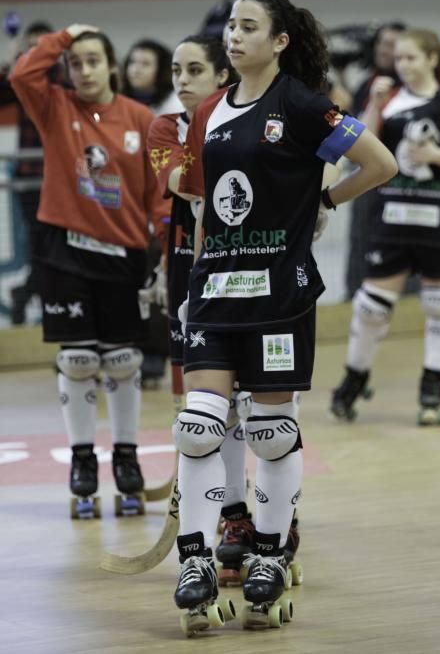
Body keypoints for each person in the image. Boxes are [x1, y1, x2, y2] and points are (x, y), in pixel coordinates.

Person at [170, 0, 397, 626]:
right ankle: (194, 559)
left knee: (269, 433)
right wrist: (192, 280)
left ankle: (269, 553)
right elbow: (210, 206)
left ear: (279, 41)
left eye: (250, 27)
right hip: (215, 290)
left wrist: (323, 203)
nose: (235, 37)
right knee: (200, 425)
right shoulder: (209, 111)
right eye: (232, 27)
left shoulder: (300, 106)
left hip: (279, 296)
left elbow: (379, 163)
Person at [9, 24, 164, 515]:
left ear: (112, 65)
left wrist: (161, 252)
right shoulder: (56, 107)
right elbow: (21, 74)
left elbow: (156, 195)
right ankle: (81, 460)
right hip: (64, 249)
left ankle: (125, 457)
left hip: (122, 251)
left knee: (122, 361)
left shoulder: (140, 118)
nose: (85, 70)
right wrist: (63, 37)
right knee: (77, 360)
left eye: (94, 60)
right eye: (76, 64)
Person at [145, 34, 258, 584]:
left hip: (246, 270)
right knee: (203, 411)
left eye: (195, 70)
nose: (182, 80)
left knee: (252, 410)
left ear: (222, 78)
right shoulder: (167, 126)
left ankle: (248, 519)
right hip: (189, 269)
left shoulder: (244, 119)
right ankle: (219, 516)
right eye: (176, 70)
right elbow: (174, 180)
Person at [331, 28, 440, 427]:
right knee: (371, 306)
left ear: (432, 59)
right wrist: (373, 104)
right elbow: (361, 146)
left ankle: (432, 384)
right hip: (392, 217)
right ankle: (355, 377)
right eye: (399, 58)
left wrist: (435, 154)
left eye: (411, 58)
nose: (402, 64)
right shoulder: (388, 102)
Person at [121, 39, 183, 386]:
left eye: (146, 63)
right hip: (125, 204)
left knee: (159, 280)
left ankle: (157, 354)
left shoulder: (172, 106)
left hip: (163, 202)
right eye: (133, 62)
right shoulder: (118, 105)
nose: (137, 69)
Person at [0, 21, 58, 324]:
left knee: (51, 246)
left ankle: (25, 293)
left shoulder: (64, 79)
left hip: (62, 179)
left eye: (44, 47)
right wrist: (13, 62)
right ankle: (30, 296)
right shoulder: (21, 80)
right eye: (33, 46)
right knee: (40, 245)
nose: (38, 53)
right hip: (30, 177)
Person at [346, 22, 407, 299]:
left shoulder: (414, 87)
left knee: (405, 246)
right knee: (360, 243)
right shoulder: (365, 86)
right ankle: (353, 297)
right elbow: (356, 133)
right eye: (382, 43)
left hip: (405, 184)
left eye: (393, 44)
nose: (385, 50)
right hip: (368, 182)